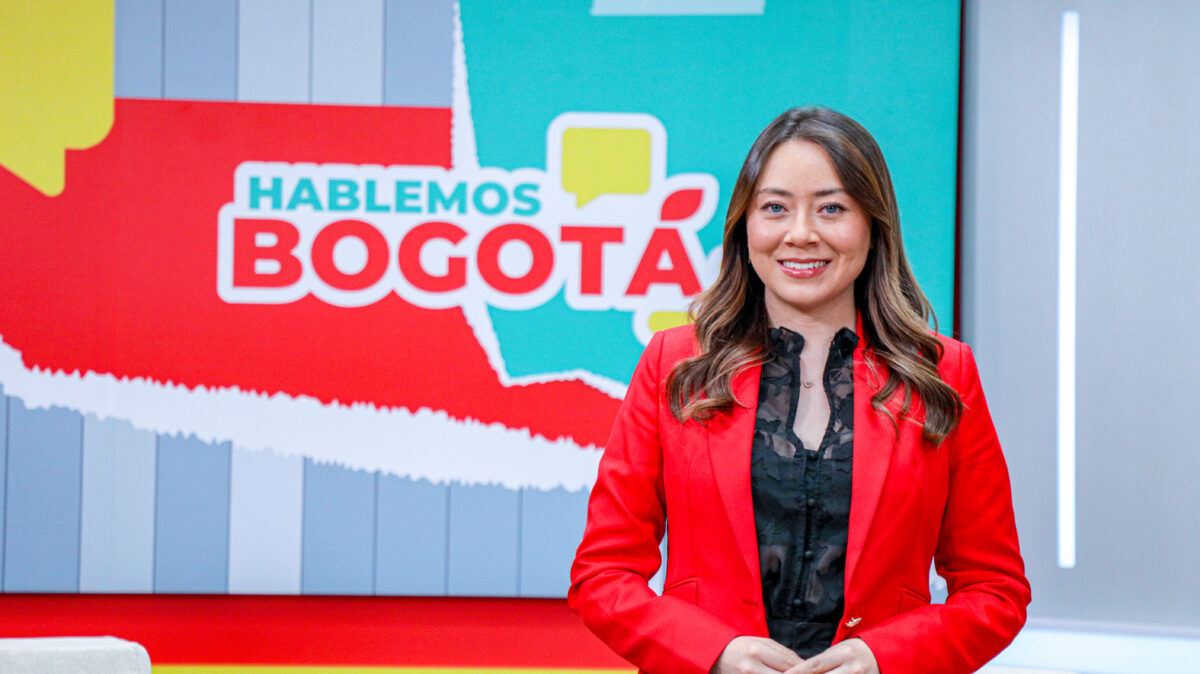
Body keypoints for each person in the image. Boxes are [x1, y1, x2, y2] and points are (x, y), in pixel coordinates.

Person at [568, 107, 1030, 674]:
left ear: (873, 225)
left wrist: (885, 657)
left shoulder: (942, 373)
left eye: (832, 208)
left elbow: (994, 590)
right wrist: (713, 653)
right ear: (744, 226)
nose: (801, 233)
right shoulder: (675, 366)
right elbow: (603, 575)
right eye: (775, 208)